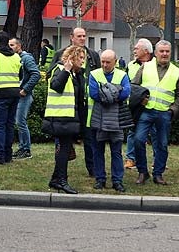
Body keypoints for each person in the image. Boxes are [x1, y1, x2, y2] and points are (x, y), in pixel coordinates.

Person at [131, 39, 179, 185]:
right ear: (155, 53)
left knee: (162, 144)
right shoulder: (145, 67)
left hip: (164, 113)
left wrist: (172, 110)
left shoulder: (176, 71)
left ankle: (158, 173)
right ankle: (143, 172)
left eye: (167, 51)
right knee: (138, 140)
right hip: (146, 111)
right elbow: (134, 86)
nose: (164, 54)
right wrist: (140, 99)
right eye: (161, 51)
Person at [56, 27, 101, 176]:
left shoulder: (93, 56)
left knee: (89, 137)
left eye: (84, 36)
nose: (82, 38)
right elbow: (54, 82)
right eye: (79, 36)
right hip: (67, 107)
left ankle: (92, 168)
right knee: (64, 140)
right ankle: (61, 169)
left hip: (86, 104)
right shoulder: (61, 56)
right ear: (71, 37)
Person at [44, 45, 87, 194]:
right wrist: (66, 70)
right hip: (60, 116)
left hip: (68, 118)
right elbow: (56, 85)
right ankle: (61, 180)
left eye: (83, 58)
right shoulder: (60, 69)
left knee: (65, 149)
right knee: (64, 149)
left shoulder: (77, 74)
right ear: (72, 57)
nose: (83, 61)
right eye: (80, 58)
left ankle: (56, 179)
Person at [88, 49, 130, 192]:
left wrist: (106, 92)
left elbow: (126, 93)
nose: (105, 65)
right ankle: (100, 179)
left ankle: (117, 180)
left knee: (116, 151)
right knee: (97, 151)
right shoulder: (94, 74)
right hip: (98, 120)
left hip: (116, 120)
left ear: (115, 62)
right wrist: (115, 91)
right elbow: (94, 94)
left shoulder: (122, 75)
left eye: (108, 62)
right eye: (103, 62)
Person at [0, 31, 22, 165]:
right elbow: (20, 74)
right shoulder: (16, 56)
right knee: (10, 124)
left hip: (0, 94)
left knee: (0, 125)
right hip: (15, 93)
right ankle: (8, 154)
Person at [10, 36, 42, 161]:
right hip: (18, 94)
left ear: (19, 46)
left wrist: (25, 89)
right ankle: (22, 147)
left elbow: (36, 74)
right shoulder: (15, 58)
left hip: (24, 95)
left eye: (12, 45)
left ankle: (26, 149)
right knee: (19, 122)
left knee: (21, 121)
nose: (9, 47)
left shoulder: (26, 58)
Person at [125, 38, 154, 169]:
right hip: (136, 105)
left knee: (155, 133)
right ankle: (131, 158)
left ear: (146, 51)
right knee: (133, 131)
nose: (134, 50)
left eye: (137, 48)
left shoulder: (155, 64)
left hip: (152, 104)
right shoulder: (131, 65)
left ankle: (157, 160)